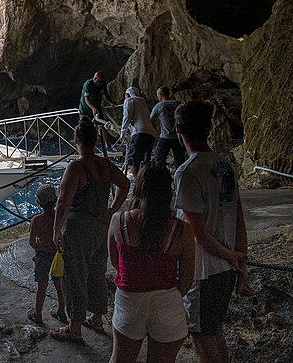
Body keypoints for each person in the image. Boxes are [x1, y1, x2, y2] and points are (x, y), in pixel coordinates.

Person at [174, 101, 249, 363]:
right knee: (214, 331)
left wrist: (232, 256)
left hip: (203, 271)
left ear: (178, 128)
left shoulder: (187, 172)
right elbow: (239, 219)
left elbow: (198, 235)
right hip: (225, 269)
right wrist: (240, 260)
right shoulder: (225, 166)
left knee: (201, 338)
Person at [50, 117, 130, 343]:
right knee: (96, 272)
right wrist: (113, 208)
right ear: (94, 140)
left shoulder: (76, 167)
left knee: (74, 275)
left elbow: (64, 203)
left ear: (76, 140)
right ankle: (96, 317)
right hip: (102, 227)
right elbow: (125, 184)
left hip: (79, 228)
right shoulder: (106, 165)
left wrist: (56, 230)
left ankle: (74, 326)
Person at [108, 163, 196, 363]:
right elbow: (187, 277)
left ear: (138, 188)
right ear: (168, 192)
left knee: (120, 358)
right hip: (167, 302)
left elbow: (116, 262)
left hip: (130, 299)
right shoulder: (182, 231)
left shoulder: (119, 221)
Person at [28, 184, 66, 326]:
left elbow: (32, 241)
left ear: (38, 202)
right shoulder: (60, 216)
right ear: (56, 200)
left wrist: (38, 248)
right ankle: (61, 311)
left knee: (42, 286)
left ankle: (38, 314)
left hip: (43, 255)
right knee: (59, 284)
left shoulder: (37, 220)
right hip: (58, 255)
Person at [120, 87, 157, 179]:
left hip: (140, 133)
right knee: (144, 161)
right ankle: (145, 182)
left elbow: (127, 117)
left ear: (127, 95)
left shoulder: (129, 101)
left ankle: (138, 183)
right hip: (151, 134)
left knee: (132, 160)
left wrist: (122, 134)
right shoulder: (143, 104)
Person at [151, 87, 186, 169]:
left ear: (160, 95)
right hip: (178, 136)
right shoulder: (178, 104)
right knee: (180, 161)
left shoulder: (159, 106)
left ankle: (160, 178)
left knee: (158, 160)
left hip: (165, 137)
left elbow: (151, 120)